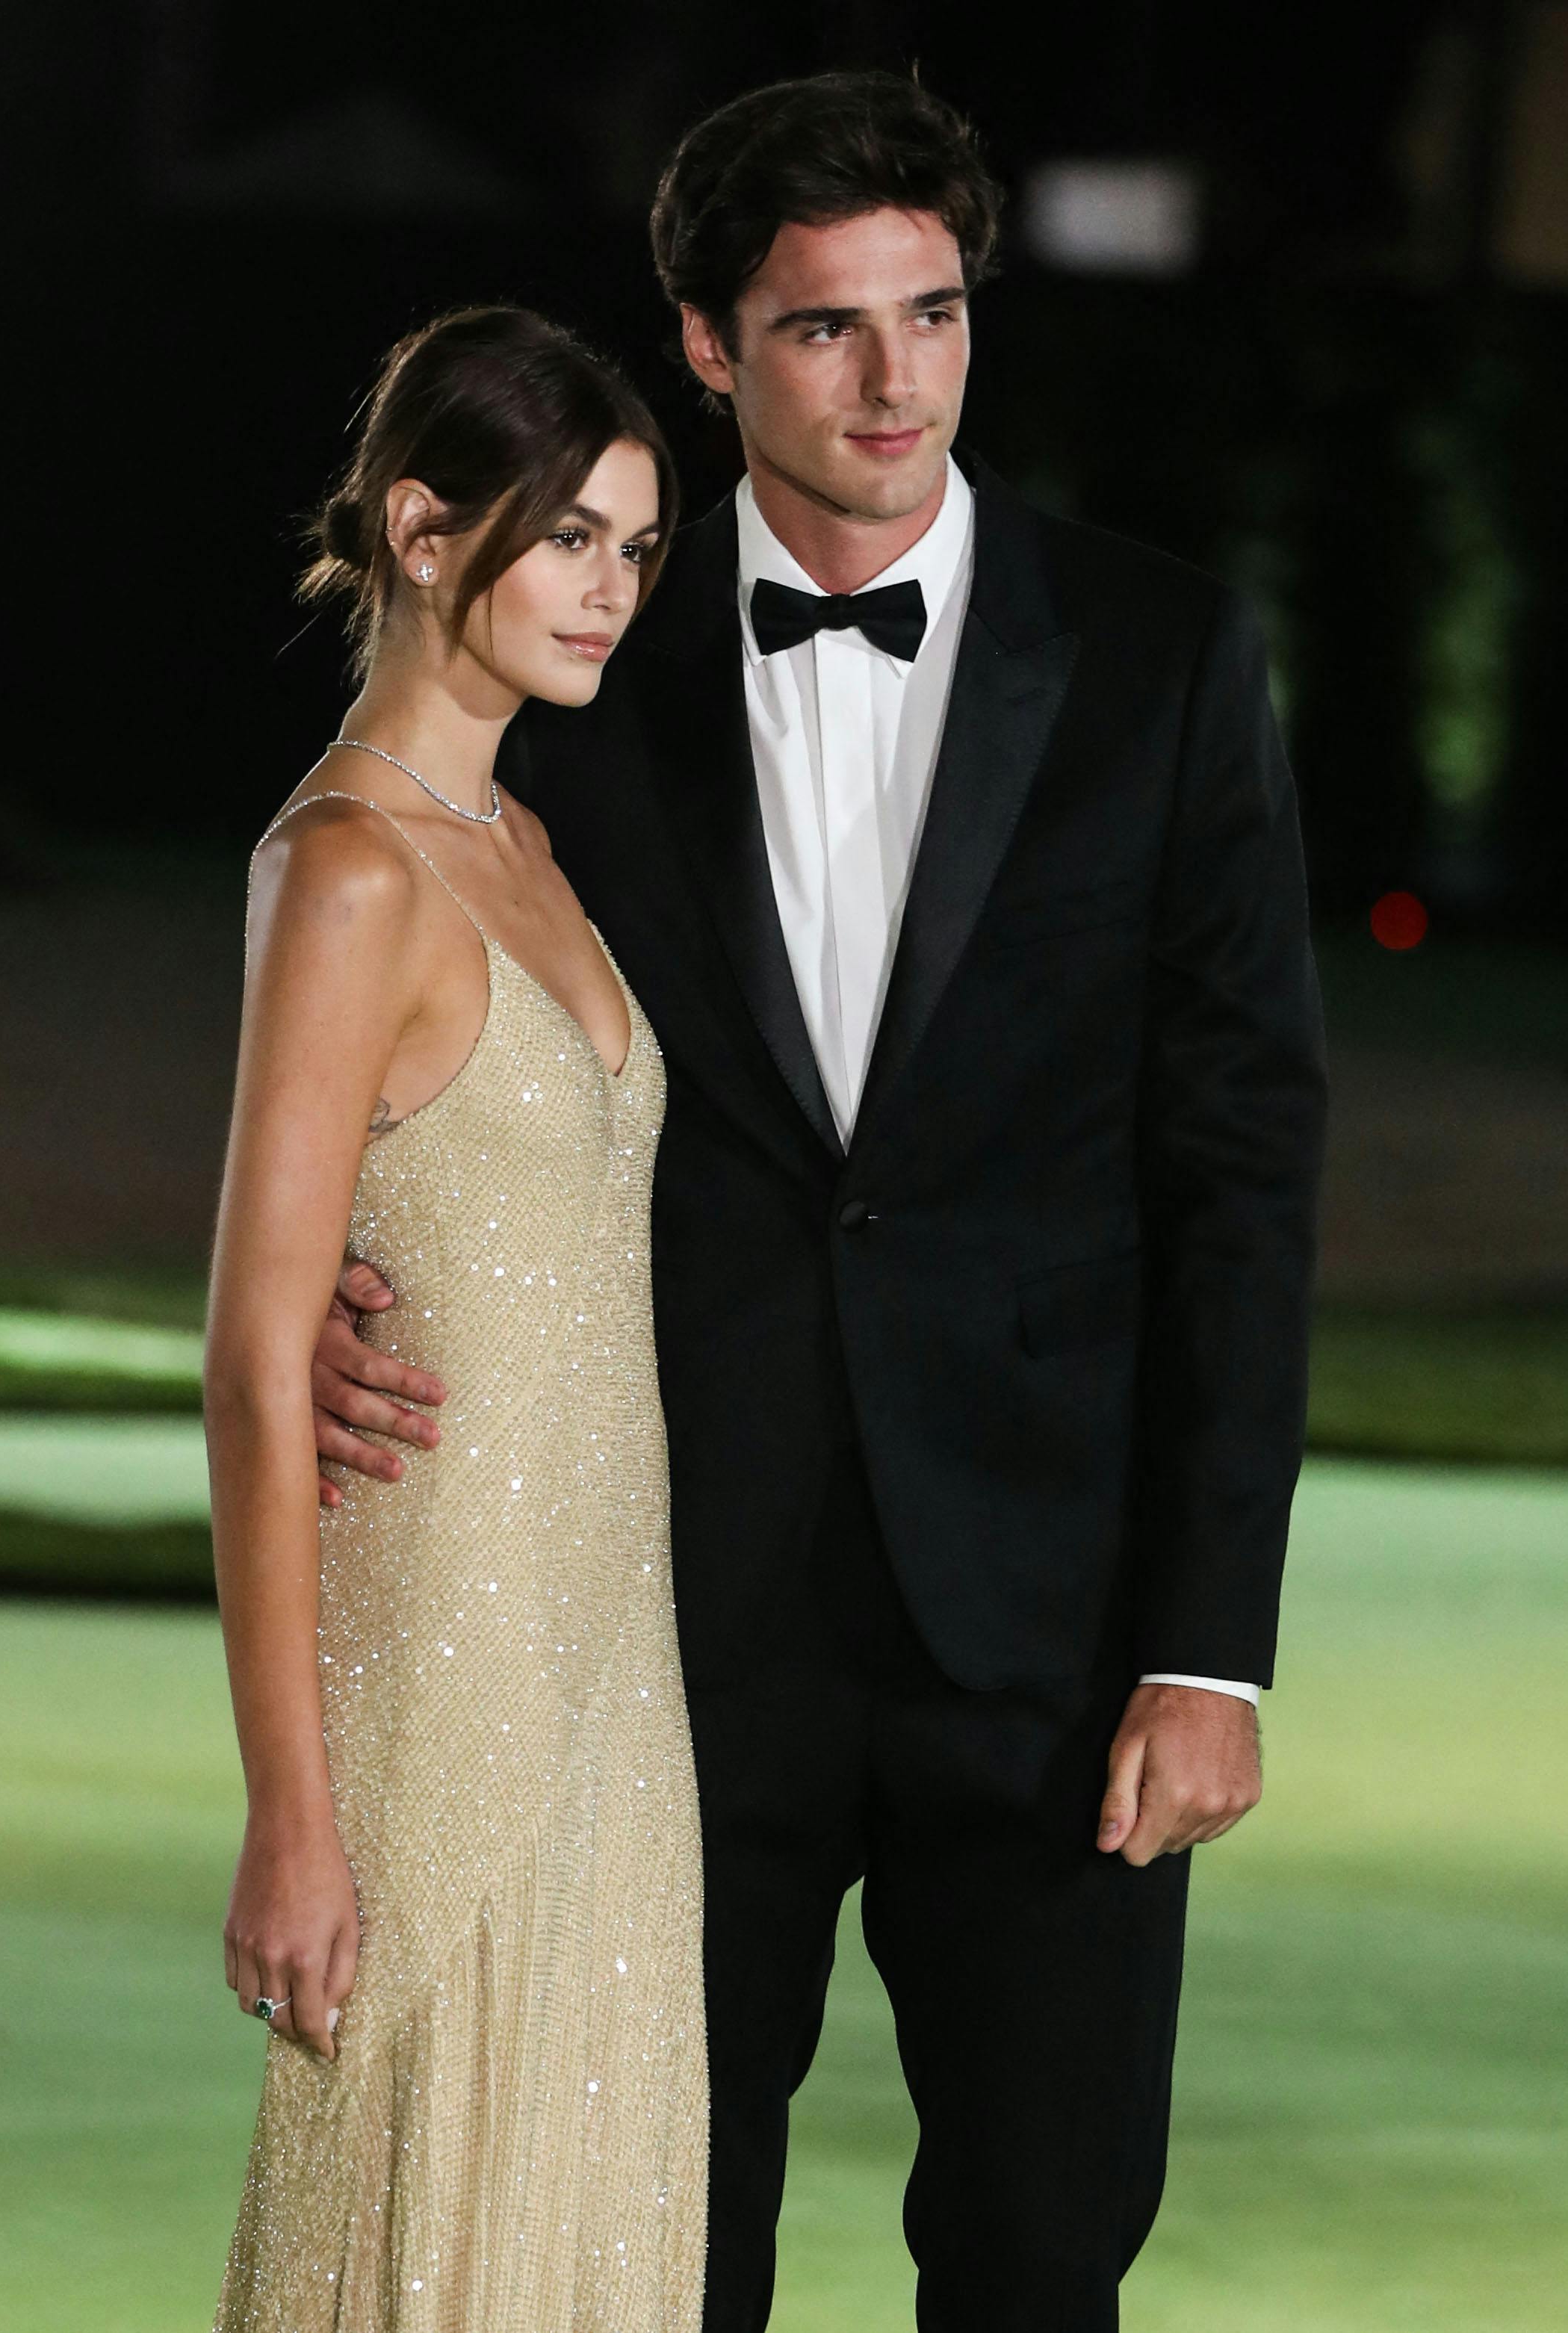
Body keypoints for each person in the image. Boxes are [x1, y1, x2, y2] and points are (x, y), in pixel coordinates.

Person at [312, 69, 1329, 2333]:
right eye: (824, 331)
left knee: (1041, 2260)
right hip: (665, 1619)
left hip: (1060, 1641)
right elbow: (360, 935)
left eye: (936, 314)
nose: (897, 380)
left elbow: (1245, 1167)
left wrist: (1209, 1641)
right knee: (666, 2254)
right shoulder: (572, 664)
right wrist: (312, 1288)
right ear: (699, 344)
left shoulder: (1165, 658)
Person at [206, 304, 706, 2332]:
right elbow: (254, 1359)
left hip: (614, 1667)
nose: (613, 588)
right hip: (433, 1675)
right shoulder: (344, 868)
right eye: (572, 535)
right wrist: (291, 1815)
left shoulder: (534, 849)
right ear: (425, 529)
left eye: (640, 549)